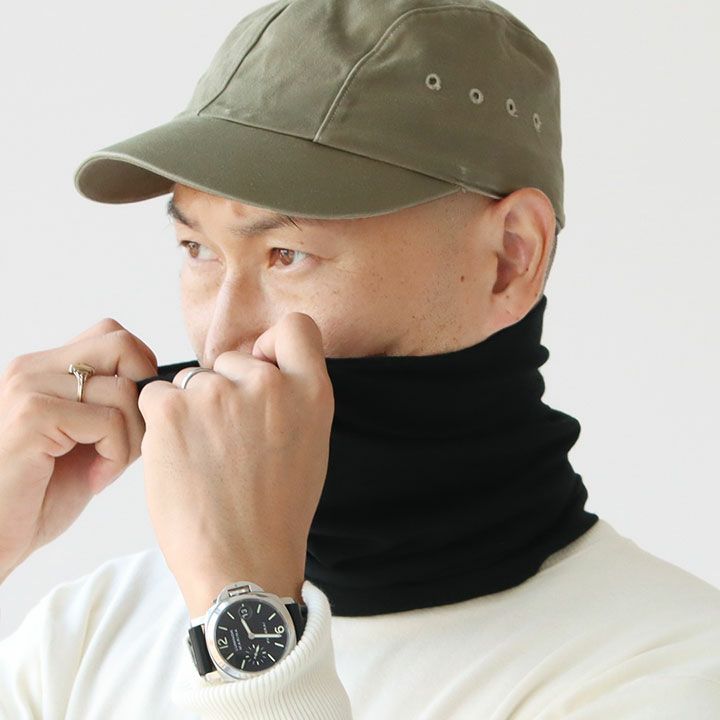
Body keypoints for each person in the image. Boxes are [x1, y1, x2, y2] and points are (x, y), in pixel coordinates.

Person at [1, 0, 719, 718]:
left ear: (509, 258)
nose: (219, 340)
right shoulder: (91, 632)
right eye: (198, 249)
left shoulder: (670, 670)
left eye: (288, 253)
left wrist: (244, 624)